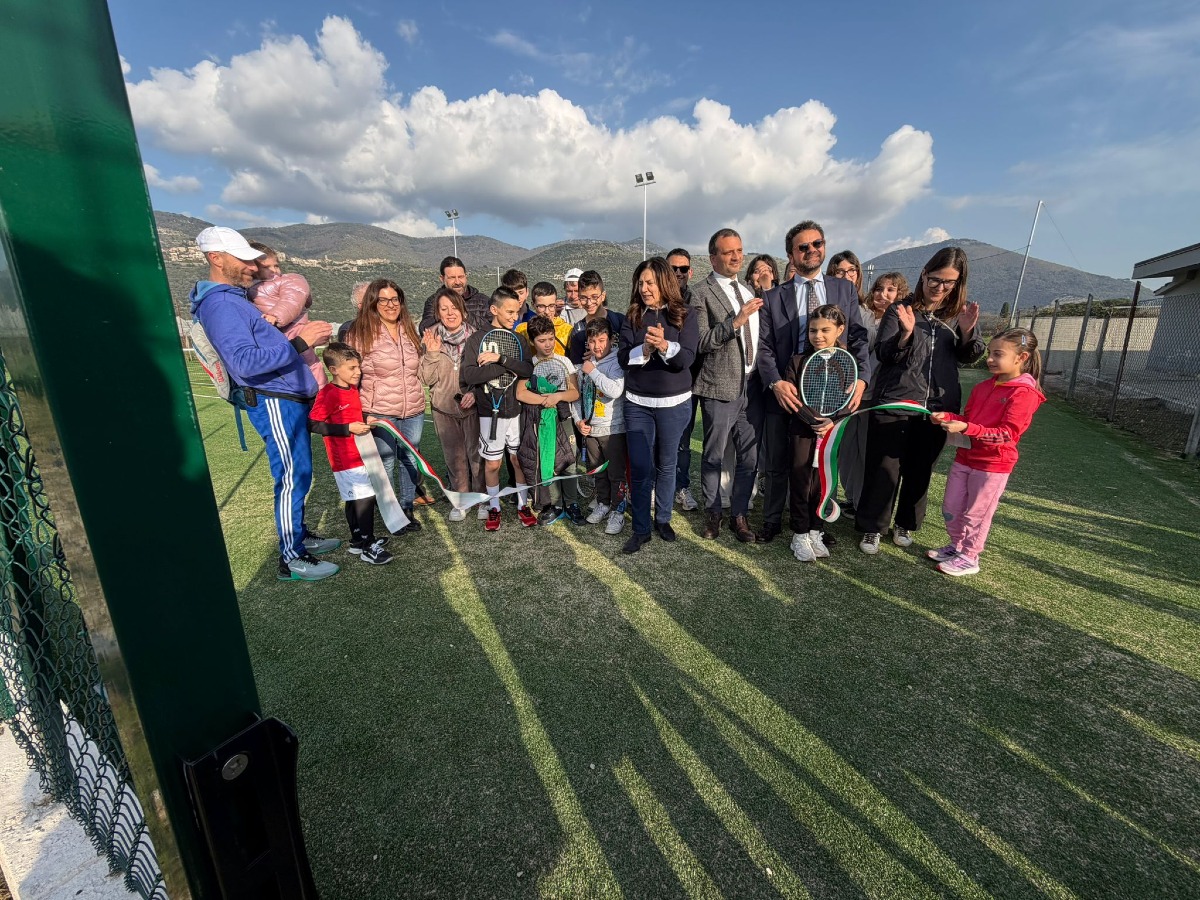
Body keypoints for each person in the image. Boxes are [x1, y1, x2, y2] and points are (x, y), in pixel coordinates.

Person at [189, 226, 339, 581]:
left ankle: (298, 535)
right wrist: (301, 342)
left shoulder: (234, 299)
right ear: (216, 258)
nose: (253, 267)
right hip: (274, 399)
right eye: (243, 260)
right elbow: (245, 362)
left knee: (299, 472)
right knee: (291, 476)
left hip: (285, 396)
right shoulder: (221, 304)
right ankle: (292, 557)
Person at [856, 246, 984, 554]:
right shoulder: (900, 310)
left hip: (938, 408)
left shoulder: (959, 314)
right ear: (924, 274)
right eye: (935, 279)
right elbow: (885, 353)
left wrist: (967, 332)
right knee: (884, 468)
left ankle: (906, 523)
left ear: (958, 283)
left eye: (949, 282)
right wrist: (906, 334)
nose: (940, 287)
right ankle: (873, 527)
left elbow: (970, 355)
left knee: (920, 468)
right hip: (895, 402)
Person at [757, 221, 871, 544]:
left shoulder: (844, 289)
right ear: (791, 255)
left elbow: (858, 338)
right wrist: (776, 383)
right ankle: (772, 521)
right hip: (787, 392)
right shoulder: (773, 297)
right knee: (779, 462)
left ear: (824, 246)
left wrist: (861, 379)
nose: (811, 250)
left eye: (817, 244)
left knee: (822, 463)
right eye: (803, 247)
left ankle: (816, 525)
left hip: (829, 392)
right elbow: (764, 347)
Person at [928, 328, 1045, 576]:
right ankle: (957, 546)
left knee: (977, 514)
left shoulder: (1024, 393)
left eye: (998, 354)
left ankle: (970, 556)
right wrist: (947, 417)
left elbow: (1007, 434)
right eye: (989, 353)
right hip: (965, 458)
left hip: (993, 465)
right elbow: (969, 420)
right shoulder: (983, 387)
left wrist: (966, 428)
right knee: (951, 507)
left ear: (1021, 357)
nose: (990, 359)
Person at [618, 257, 700, 554]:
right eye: (640, 283)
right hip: (637, 405)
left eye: (650, 282)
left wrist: (664, 346)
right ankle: (641, 528)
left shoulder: (686, 314)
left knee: (667, 465)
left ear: (664, 282)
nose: (644, 288)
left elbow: (686, 358)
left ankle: (663, 519)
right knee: (641, 467)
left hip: (674, 405)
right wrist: (644, 348)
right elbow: (623, 358)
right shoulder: (632, 316)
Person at [690, 228, 763, 543]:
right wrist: (735, 322)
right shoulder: (700, 293)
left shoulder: (747, 289)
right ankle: (713, 513)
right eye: (728, 251)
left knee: (749, 456)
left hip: (751, 387)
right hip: (719, 388)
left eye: (739, 250)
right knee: (714, 455)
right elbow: (701, 342)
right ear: (713, 258)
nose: (736, 256)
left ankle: (739, 514)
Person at [345, 279, 426, 532]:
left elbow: (419, 369)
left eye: (395, 299)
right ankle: (392, 514)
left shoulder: (409, 330)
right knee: (386, 462)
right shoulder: (359, 334)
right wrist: (359, 412)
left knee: (409, 459)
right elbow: (350, 375)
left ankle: (407, 508)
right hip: (379, 411)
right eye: (383, 300)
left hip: (413, 409)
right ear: (373, 303)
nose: (391, 305)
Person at [308, 343, 393, 565]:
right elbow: (313, 424)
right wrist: (347, 429)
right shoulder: (328, 394)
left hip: (360, 453)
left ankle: (357, 541)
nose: (358, 372)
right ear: (334, 370)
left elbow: (352, 415)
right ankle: (368, 545)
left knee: (356, 498)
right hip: (344, 458)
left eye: (358, 367)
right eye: (352, 368)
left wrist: (365, 419)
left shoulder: (352, 389)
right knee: (365, 498)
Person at [460, 287, 537, 531]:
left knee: (517, 461)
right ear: (494, 309)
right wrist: (505, 366)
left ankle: (523, 505)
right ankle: (494, 508)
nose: (515, 317)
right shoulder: (476, 340)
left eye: (517, 312)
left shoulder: (519, 339)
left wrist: (500, 359)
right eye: (509, 312)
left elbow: (527, 370)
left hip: (516, 412)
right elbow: (470, 375)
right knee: (493, 464)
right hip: (489, 412)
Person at [782, 306, 849, 562]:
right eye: (813, 330)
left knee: (823, 484)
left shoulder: (847, 362)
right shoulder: (797, 361)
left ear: (839, 330)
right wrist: (814, 421)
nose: (818, 336)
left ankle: (815, 531)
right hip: (802, 432)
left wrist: (832, 421)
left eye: (825, 330)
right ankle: (799, 534)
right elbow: (793, 400)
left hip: (831, 433)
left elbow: (849, 402)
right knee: (801, 482)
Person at [837, 272, 909, 512]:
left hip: (879, 394)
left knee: (867, 449)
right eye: (879, 288)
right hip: (851, 391)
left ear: (900, 294)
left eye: (890, 290)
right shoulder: (862, 314)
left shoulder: (903, 320)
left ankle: (864, 501)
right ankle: (852, 497)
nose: (882, 294)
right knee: (847, 449)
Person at [419, 287, 484, 522]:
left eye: (454, 307)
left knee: (477, 456)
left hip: (473, 407)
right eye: (444, 309)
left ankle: (481, 499)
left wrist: (475, 393)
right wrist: (432, 354)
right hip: (443, 409)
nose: (450, 313)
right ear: (437, 313)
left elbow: (485, 372)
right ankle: (460, 501)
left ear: (463, 310)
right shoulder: (431, 338)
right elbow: (425, 378)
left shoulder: (477, 337)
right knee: (454, 458)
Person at [515, 317, 584, 525]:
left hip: (564, 419)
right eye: (542, 340)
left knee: (569, 461)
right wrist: (544, 400)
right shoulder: (529, 365)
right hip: (542, 422)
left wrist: (558, 397)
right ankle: (556, 504)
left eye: (551, 339)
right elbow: (521, 393)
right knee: (549, 461)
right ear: (532, 341)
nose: (548, 344)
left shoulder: (564, 361)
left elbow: (574, 392)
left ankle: (572, 503)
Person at [247, 241, 326, 388]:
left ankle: (319, 391)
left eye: (276, 265)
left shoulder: (290, 280)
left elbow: (292, 300)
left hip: (294, 328)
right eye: (266, 267)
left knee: (307, 362)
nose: (274, 271)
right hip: (275, 333)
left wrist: (276, 315)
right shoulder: (249, 287)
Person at [577, 317, 628, 534]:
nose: (597, 346)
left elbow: (615, 390)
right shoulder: (587, 364)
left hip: (613, 430)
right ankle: (603, 503)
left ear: (612, 339)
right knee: (598, 472)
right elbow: (578, 397)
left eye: (602, 340)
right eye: (592, 341)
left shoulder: (616, 361)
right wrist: (579, 420)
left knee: (616, 473)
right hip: (591, 430)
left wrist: (593, 371)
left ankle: (618, 510)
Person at [666, 248, 701, 512]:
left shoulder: (697, 301)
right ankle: (660, 485)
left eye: (683, 268)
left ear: (690, 272)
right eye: (673, 268)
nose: (678, 273)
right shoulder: (656, 300)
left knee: (684, 441)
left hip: (693, 380)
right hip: (663, 381)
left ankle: (682, 487)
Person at [566, 270, 625, 365]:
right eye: (583, 298)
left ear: (603, 296)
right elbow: (576, 365)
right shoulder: (578, 331)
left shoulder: (620, 321)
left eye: (594, 297)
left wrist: (603, 354)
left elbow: (631, 352)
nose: (589, 303)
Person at [420, 256, 491, 332]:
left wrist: (466, 316)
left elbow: (493, 329)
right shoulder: (433, 301)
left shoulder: (483, 301)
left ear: (466, 276)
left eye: (460, 277)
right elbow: (424, 329)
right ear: (442, 279)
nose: (457, 282)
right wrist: (443, 315)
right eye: (452, 277)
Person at [516, 282, 573, 356]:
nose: (547, 312)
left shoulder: (567, 331)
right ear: (533, 305)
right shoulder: (522, 330)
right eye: (541, 306)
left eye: (551, 306)